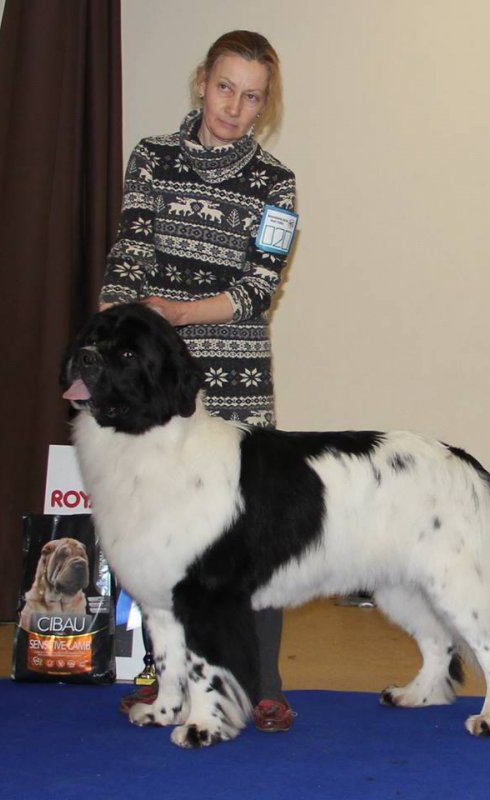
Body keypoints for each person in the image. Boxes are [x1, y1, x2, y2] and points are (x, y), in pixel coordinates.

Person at [100, 30, 297, 732]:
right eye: (224, 89)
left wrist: (177, 313)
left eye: (251, 97)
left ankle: (263, 684)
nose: (233, 107)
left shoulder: (277, 183)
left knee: (252, 536)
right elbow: (130, 247)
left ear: (264, 107)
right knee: (158, 536)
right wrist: (114, 319)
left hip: (238, 385)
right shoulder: (151, 157)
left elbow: (258, 289)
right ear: (200, 82)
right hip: (156, 389)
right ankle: (170, 681)